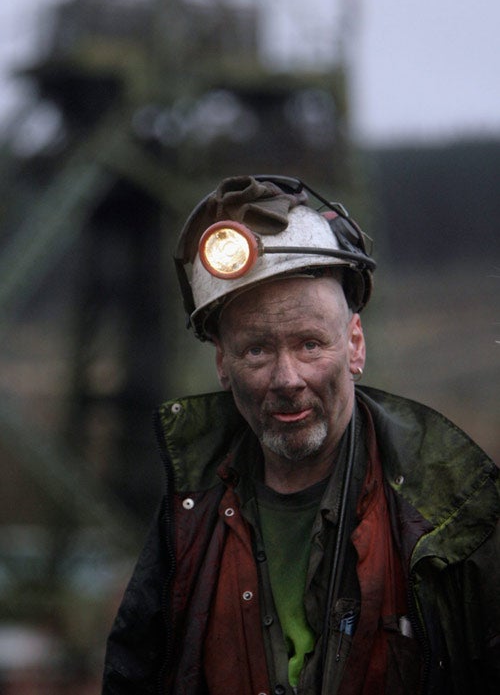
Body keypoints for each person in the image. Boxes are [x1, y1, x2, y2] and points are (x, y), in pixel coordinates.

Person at [102, 174, 500, 695]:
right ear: (223, 364)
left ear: (355, 345)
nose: (288, 379)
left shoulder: (452, 512)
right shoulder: (190, 512)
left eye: (311, 345)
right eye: (257, 351)